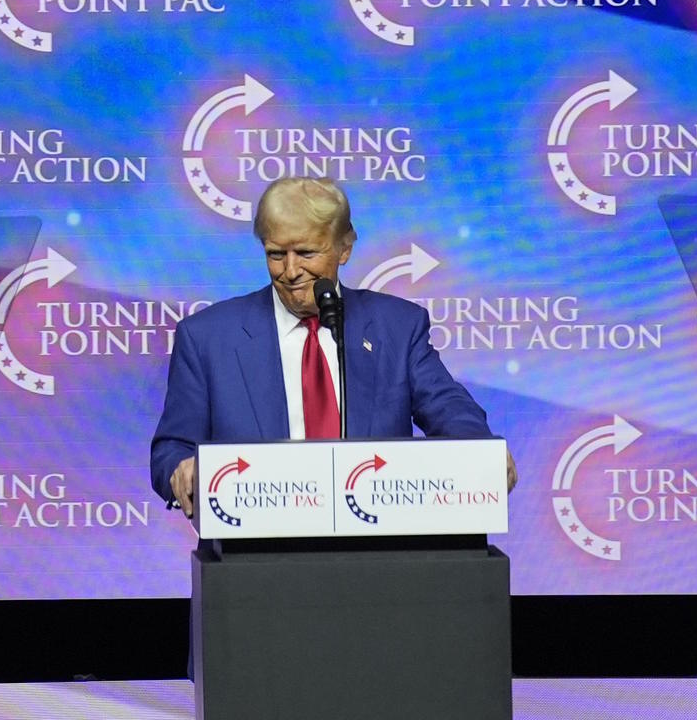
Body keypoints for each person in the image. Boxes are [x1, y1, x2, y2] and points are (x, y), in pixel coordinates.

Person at [149, 175, 507, 515]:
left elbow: (449, 408)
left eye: (306, 253)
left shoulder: (396, 328)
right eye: (276, 254)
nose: (290, 271)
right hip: (254, 562)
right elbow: (171, 450)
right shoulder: (207, 338)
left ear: (344, 249)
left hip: (380, 553)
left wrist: (481, 451)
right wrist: (182, 470)